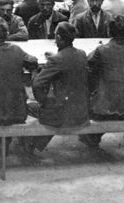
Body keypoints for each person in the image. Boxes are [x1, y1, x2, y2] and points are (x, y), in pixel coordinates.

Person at [22, 22, 89, 153]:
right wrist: (55, 57)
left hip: (64, 114)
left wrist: (35, 71)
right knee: (57, 104)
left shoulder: (57, 60)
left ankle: (30, 144)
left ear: (58, 38)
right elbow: (67, 61)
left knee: (29, 105)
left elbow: (37, 84)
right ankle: (37, 144)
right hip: (81, 111)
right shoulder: (81, 53)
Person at [80, 16, 124, 147]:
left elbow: (89, 68)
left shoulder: (102, 50)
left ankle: (92, 137)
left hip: (106, 109)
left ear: (109, 32)